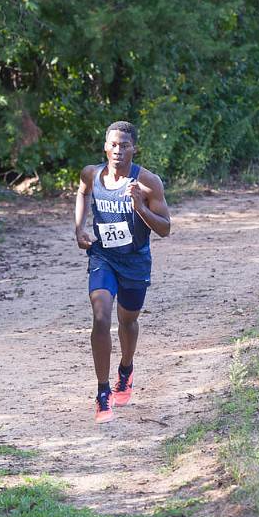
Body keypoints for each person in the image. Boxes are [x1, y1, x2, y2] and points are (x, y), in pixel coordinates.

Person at [74, 121, 172, 423]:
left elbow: (166, 229)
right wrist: (79, 228)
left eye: (124, 145)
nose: (118, 150)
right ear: (105, 146)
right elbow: (82, 192)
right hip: (103, 256)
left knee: (127, 321)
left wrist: (140, 207)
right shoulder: (92, 174)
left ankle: (125, 369)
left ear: (134, 149)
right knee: (101, 316)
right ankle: (103, 393)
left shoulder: (147, 182)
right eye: (113, 144)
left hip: (134, 261)